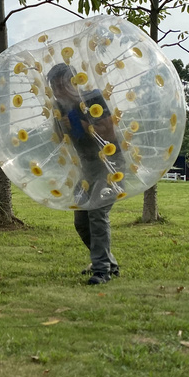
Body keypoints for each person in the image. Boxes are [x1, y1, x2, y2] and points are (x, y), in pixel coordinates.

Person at [47, 62, 123, 285]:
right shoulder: (59, 107)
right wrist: (61, 124)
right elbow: (62, 140)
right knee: (81, 221)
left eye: (62, 86)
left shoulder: (93, 99)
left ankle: (102, 271)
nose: (58, 92)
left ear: (74, 82)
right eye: (54, 88)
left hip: (111, 165)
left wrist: (79, 119)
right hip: (88, 168)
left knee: (97, 213)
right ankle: (110, 263)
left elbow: (109, 133)